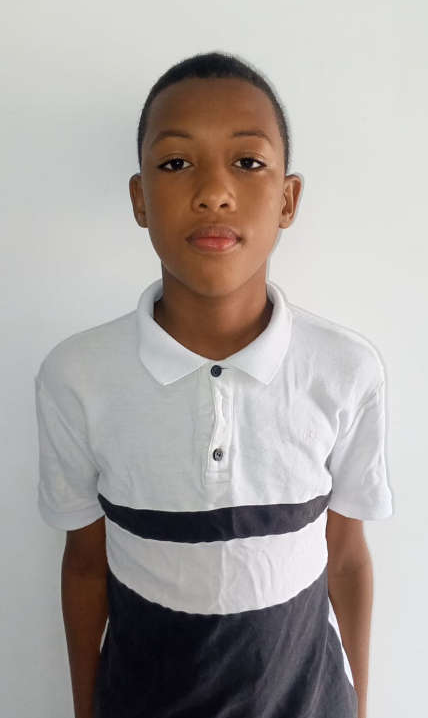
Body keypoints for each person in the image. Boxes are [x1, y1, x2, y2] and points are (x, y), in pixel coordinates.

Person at [34, 50, 394, 718]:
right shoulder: (77, 377)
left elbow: (345, 557)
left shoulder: (346, 370)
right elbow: (84, 564)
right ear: (139, 199)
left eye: (248, 162)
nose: (213, 192)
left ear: (287, 199)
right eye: (176, 163)